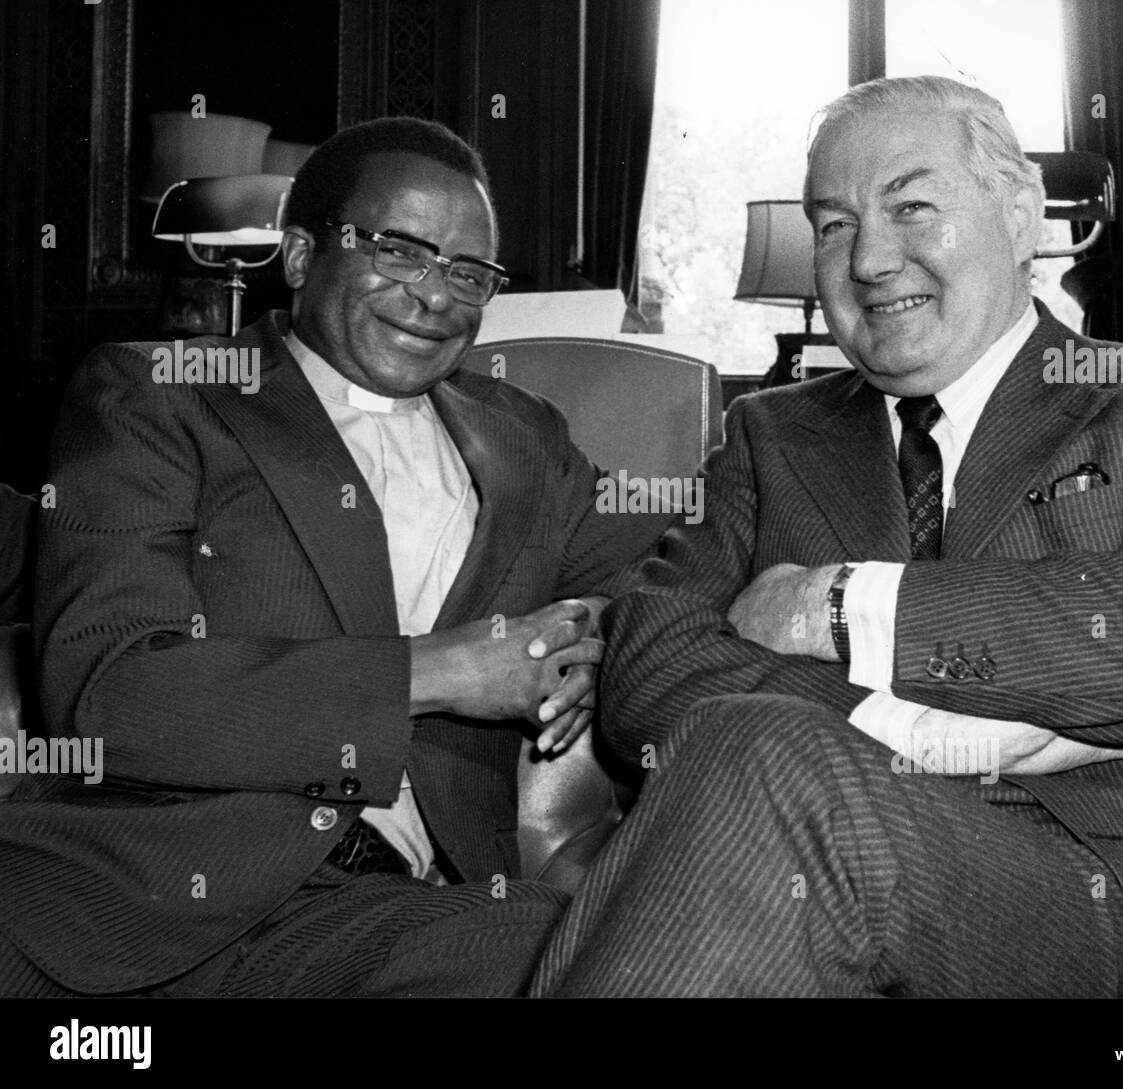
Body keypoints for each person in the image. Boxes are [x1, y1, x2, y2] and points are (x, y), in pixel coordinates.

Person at [530, 76, 1123, 998]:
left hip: (1109, 901)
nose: (870, 262)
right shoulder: (770, 433)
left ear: (1017, 217)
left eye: (912, 208)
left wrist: (840, 604)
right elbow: (650, 663)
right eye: (834, 225)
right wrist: (930, 733)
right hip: (808, 867)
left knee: (761, 758)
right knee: (755, 762)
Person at [0, 117, 669, 997]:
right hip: (135, 904)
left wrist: (598, 635)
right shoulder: (161, 394)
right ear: (304, 256)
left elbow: (667, 568)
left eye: (469, 273)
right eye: (400, 251)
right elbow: (110, 692)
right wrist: (433, 673)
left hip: (387, 919)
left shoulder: (527, 440)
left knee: (589, 951)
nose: (436, 296)